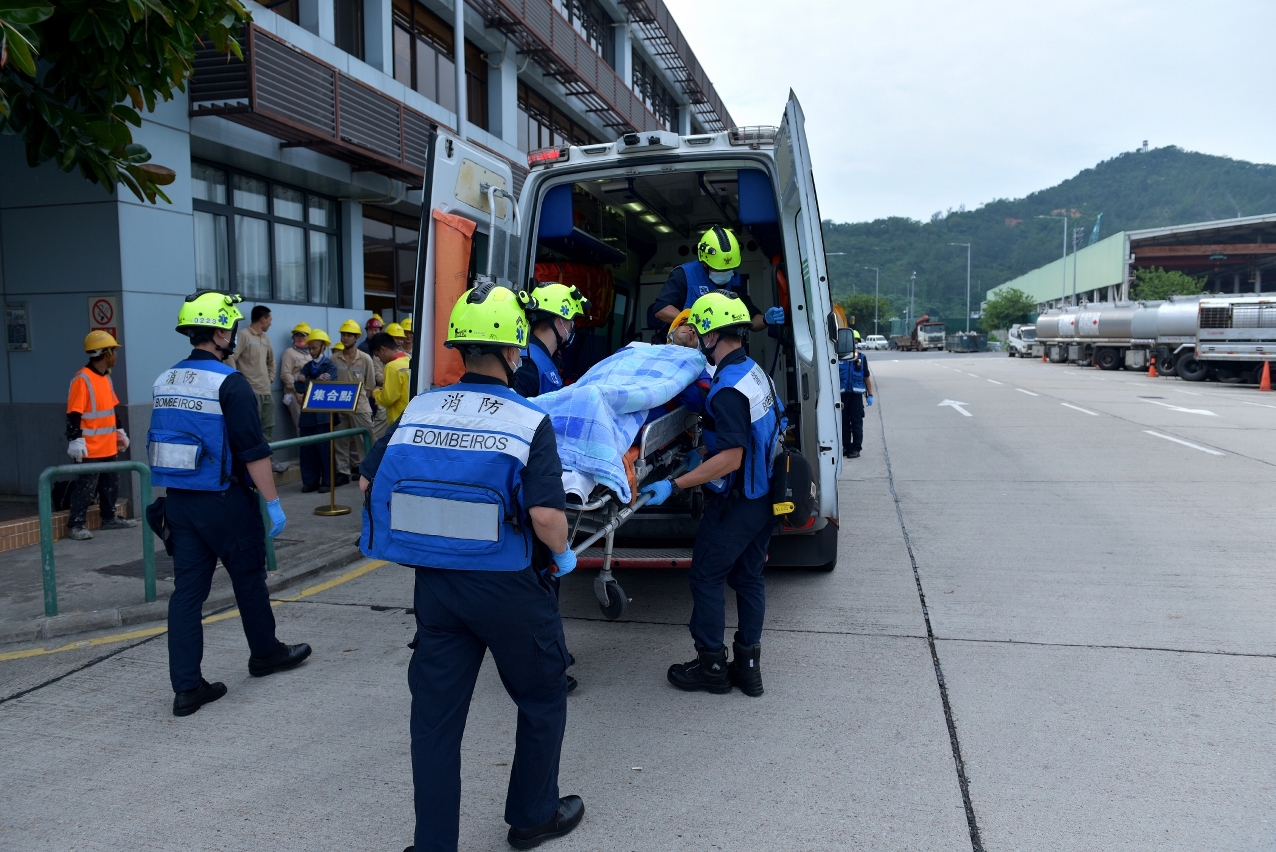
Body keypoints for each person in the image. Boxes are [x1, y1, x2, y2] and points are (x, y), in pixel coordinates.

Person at [358, 282, 584, 852]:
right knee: (541, 697)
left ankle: (433, 844)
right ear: (513, 350)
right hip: (510, 590)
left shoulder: (419, 408)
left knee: (435, 719)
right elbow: (545, 517)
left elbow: (367, 483)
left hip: (437, 590)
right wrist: (563, 555)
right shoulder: (528, 421)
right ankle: (533, 817)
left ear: (459, 347)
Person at [148, 292, 310, 717]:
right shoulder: (229, 382)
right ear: (221, 333)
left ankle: (187, 688)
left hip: (178, 503)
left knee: (187, 594)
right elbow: (252, 451)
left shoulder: (165, 380)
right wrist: (273, 502)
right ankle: (265, 654)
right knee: (248, 579)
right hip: (225, 503)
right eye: (230, 327)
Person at [640, 291, 783, 698]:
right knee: (748, 578)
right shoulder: (753, 371)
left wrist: (676, 483)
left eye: (701, 332)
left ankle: (712, 666)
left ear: (713, 335)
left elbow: (732, 458)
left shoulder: (727, 388)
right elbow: (748, 437)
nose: (699, 339)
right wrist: (702, 453)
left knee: (705, 576)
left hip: (740, 500)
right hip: (766, 491)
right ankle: (748, 669)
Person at [65, 331, 137, 540]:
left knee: (110, 485)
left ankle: (109, 518)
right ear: (106, 353)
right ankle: (76, 525)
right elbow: (74, 413)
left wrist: (119, 431)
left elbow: (111, 410)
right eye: (114, 350)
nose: (116, 355)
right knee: (85, 487)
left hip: (107, 445)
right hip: (90, 447)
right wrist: (74, 439)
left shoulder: (105, 378)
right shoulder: (82, 379)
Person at [651, 226, 785, 333]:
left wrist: (766, 320)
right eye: (719, 269)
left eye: (729, 269)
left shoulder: (735, 279)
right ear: (705, 262)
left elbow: (751, 319)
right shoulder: (684, 275)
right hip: (688, 349)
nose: (725, 273)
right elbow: (661, 309)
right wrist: (696, 321)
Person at [227, 305, 287, 473]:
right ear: (263, 319)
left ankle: (268, 461)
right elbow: (230, 357)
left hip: (266, 392)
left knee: (268, 428)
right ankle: (249, 467)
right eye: (270, 319)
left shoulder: (266, 339)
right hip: (250, 392)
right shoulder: (243, 335)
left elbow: (271, 362)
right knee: (250, 430)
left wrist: (269, 379)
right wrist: (238, 382)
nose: (271, 323)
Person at [512, 282, 589, 398]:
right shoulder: (527, 366)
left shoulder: (538, 357)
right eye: (572, 321)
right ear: (561, 321)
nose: (573, 327)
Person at [294, 329, 339, 493]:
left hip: (323, 414)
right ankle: (310, 481)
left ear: (323, 347)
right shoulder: (307, 366)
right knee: (307, 449)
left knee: (325, 449)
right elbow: (298, 386)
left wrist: (306, 381)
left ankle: (327, 480)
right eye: (310, 348)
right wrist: (313, 381)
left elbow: (326, 387)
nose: (312, 351)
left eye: (314, 348)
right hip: (307, 413)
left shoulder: (330, 366)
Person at [332, 319, 376, 482]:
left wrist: (362, 400)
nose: (345, 338)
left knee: (365, 439)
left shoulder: (365, 359)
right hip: (340, 405)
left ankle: (367, 471)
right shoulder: (334, 359)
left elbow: (370, 385)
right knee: (340, 441)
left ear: (357, 337)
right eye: (343, 334)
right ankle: (343, 472)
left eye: (349, 335)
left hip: (360, 406)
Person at [839, 333, 875, 459]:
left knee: (856, 422)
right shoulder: (838, 357)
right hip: (842, 395)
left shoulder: (861, 357)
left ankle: (856, 448)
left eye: (856, 342)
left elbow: (866, 377)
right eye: (852, 342)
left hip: (856, 396)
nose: (854, 344)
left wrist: (870, 394)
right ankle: (846, 446)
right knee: (843, 423)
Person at [370, 331, 412, 425]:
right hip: (410, 416)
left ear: (383, 349)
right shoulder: (408, 360)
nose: (380, 359)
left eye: (378, 355)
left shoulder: (391, 367)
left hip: (398, 420)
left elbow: (388, 398)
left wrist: (375, 393)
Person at [279, 321, 312, 433]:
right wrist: (297, 390)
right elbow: (285, 374)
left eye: (303, 335)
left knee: (311, 426)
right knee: (301, 426)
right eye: (297, 335)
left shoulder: (311, 353)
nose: (300, 338)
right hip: (295, 394)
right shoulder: (289, 352)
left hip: (309, 393)